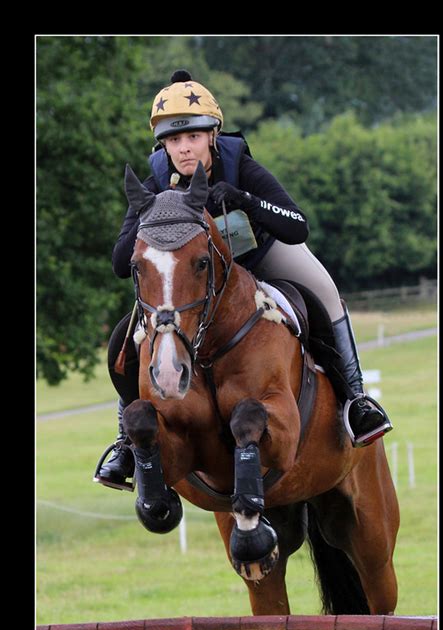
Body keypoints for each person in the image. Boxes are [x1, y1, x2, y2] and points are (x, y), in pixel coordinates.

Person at [95, 69, 392, 490]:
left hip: (262, 255)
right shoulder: (157, 182)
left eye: (193, 137)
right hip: (194, 282)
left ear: (213, 135)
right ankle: (128, 440)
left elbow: (298, 226)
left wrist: (244, 200)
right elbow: (120, 262)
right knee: (129, 335)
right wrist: (149, 217)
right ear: (162, 144)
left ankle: (357, 401)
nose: (184, 148)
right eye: (174, 140)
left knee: (325, 292)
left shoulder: (240, 165)